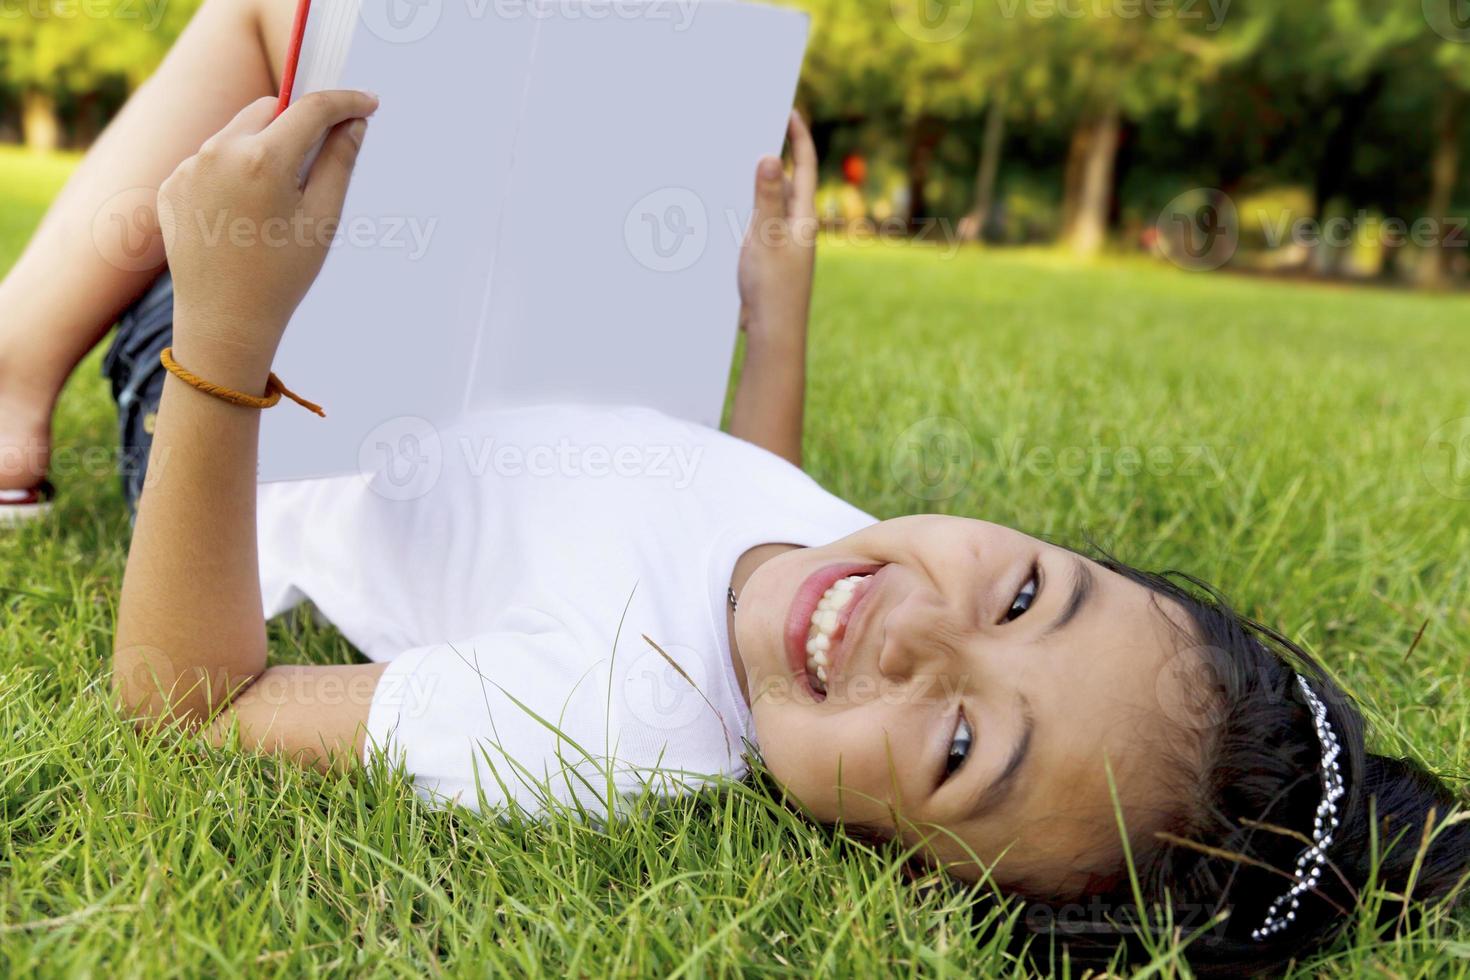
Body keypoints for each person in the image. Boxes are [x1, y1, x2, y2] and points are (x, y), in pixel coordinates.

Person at [0, 2, 1463, 974]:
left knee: (280, 18)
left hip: (275, 411)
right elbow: (748, 492)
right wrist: (778, 316)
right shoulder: (849, 567)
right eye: (1026, 591)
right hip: (488, 364)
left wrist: (229, 333)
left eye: (958, 741)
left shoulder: (607, 725)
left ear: (912, 877)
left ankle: (19, 371)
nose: (909, 629)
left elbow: (192, 703)